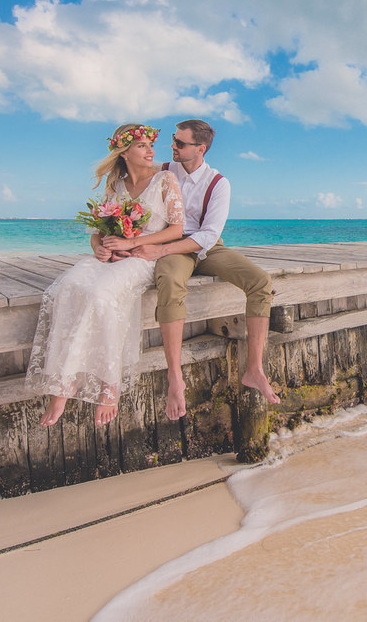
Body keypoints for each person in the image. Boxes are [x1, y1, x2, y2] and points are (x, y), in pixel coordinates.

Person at [25, 123, 185, 427]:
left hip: (142, 257)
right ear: (124, 152)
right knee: (69, 286)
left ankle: (109, 386)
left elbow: (177, 230)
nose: (151, 150)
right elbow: (97, 234)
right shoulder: (115, 187)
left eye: (151, 144)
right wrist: (100, 248)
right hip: (111, 255)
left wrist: (131, 243)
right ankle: (64, 384)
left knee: (102, 295)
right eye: (142, 145)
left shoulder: (166, 180)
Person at [128, 119, 280, 420]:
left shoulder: (218, 182)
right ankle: (175, 376)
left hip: (206, 247)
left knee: (260, 281)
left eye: (180, 143)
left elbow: (209, 236)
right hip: (174, 245)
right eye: (173, 139)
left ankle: (254, 369)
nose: (172, 146)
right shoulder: (164, 170)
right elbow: (130, 177)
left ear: (201, 148)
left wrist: (160, 250)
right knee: (170, 280)